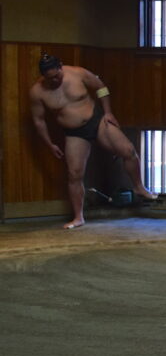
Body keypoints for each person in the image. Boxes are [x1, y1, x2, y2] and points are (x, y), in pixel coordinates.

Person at [28, 54, 157, 229]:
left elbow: (101, 88)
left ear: (60, 67)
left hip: (97, 121)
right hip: (74, 132)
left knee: (128, 151)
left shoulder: (78, 73)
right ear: (43, 76)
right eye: (49, 78)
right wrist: (49, 144)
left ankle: (139, 187)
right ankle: (78, 217)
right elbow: (39, 121)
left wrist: (108, 112)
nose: (55, 80)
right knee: (74, 175)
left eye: (57, 75)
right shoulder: (37, 92)